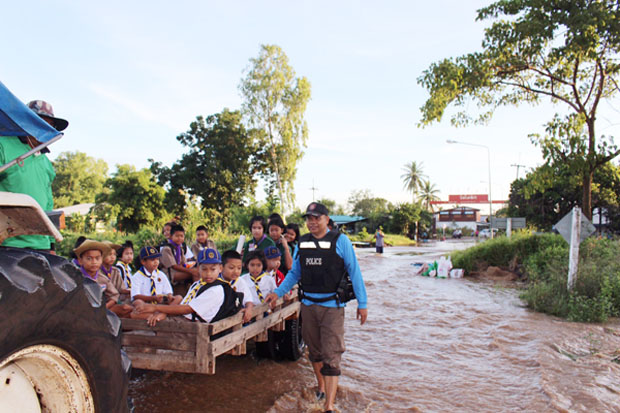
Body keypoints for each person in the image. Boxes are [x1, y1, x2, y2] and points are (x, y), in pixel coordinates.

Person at [265, 202, 368, 413]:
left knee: (332, 354)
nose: (312, 222)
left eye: (316, 218)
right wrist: (277, 292)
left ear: (326, 219)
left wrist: (362, 303)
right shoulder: (303, 243)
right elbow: (294, 274)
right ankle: (321, 387)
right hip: (308, 305)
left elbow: (354, 271)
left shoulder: (341, 242)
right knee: (315, 351)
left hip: (333, 307)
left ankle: (329, 406)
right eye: (309, 219)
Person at [0, 100, 68, 252]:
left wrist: (51, 244)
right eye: (40, 122)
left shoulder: (46, 163)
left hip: (41, 245)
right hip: (8, 242)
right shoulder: (3, 145)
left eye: (50, 125)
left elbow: (48, 203)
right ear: (26, 122)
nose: (44, 129)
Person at [133, 249, 242, 327]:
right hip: (183, 320)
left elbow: (187, 309)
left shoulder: (216, 289)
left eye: (213, 269)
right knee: (139, 315)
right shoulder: (198, 284)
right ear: (198, 268)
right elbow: (183, 304)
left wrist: (156, 308)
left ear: (220, 269)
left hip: (192, 326)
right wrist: (163, 313)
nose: (208, 274)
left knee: (136, 316)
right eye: (204, 269)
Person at [74, 239, 132, 317]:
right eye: (89, 258)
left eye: (97, 258)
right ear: (80, 261)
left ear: (101, 259)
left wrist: (104, 308)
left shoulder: (103, 279)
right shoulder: (75, 277)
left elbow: (114, 295)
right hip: (79, 311)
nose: (94, 262)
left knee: (126, 309)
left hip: (100, 309)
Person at [130, 246, 181, 319]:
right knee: (138, 302)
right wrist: (152, 298)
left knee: (178, 298)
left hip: (160, 304)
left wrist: (169, 296)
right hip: (146, 303)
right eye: (152, 260)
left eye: (157, 259)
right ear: (143, 262)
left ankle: (162, 314)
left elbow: (168, 291)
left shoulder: (161, 274)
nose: (156, 262)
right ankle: (161, 315)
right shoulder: (137, 276)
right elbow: (136, 296)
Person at [219, 250, 255, 323]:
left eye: (239, 268)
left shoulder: (240, 281)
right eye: (231, 268)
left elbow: (248, 300)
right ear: (221, 267)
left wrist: (248, 308)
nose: (236, 271)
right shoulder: (215, 281)